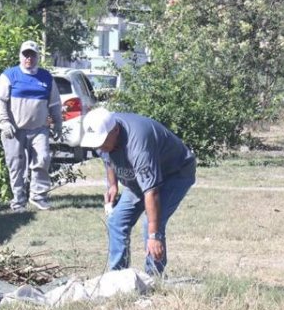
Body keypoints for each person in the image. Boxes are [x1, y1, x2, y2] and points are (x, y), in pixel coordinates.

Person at [79, 107, 197, 275]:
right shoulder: (102, 135)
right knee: (116, 221)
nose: (100, 146)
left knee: (151, 223)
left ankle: (153, 279)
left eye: (103, 141)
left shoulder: (138, 144)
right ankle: (117, 277)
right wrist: (112, 185)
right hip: (140, 179)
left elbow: (151, 192)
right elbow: (108, 158)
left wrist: (154, 236)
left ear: (116, 131)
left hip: (175, 173)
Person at [0, 40, 62, 212]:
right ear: (20, 56)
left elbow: (54, 103)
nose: (28, 58)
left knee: (43, 158)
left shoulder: (46, 77)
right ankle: (18, 201)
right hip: (14, 130)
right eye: (26, 55)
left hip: (39, 129)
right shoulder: (9, 75)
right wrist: (4, 122)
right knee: (16, 164)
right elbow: (0, 100)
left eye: (32, 55)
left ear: (37, 56)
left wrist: (58, 123)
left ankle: (38, 196)